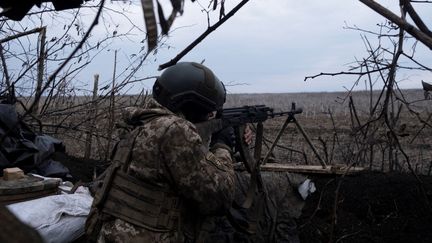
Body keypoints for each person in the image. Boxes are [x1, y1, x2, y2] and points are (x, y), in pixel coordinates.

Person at [85, 62, 236, 242]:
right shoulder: (174, 129)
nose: (209, 117)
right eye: (207, 113)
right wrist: (223, 146)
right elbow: (218, 198)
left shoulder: (139, 124)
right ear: (191, 105)